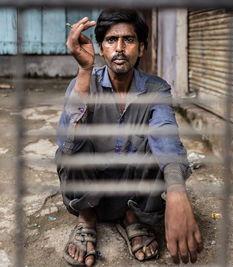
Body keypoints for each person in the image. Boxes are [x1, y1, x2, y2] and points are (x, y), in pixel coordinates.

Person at [56, 9, 203, 267]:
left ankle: (132, 216)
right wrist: (84, 69)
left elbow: (166, 137)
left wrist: (178, 191)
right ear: (101, 48)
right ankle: (87, 217)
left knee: (159, 147)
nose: (120, 48)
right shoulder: (83, 83)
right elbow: (67, 145)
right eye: (111, 40)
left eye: (129, 40)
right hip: (92, 186)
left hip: (134, 187)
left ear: (142, 48)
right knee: (71, 145)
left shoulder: (156, 88)